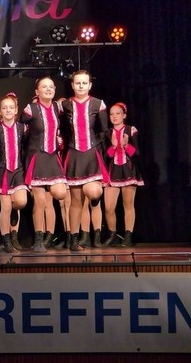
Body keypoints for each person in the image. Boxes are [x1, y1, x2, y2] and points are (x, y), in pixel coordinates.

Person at [60, 70, 109, 251]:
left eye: (84, 83)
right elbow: (63, 130)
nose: (81, 86)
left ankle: (95, 202)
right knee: (75, 201)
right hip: (74, 155)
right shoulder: (65, 105)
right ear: (72, 85)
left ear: (90, 85)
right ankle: (74, 240)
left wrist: (98, 151)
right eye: (78, 83)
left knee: (94, 192)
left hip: (92, 154)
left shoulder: (98, 104)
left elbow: (103, 131)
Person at [20, 78, 67, 252]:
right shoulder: (30, 109)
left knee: (60, 193)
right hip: (36, 155)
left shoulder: (57, 107)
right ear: (37, 91)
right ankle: (38, 239)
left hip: (52, 156)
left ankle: (52, 235)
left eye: (51, 86)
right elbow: (19, 130)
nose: (48, 89)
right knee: (39, 201)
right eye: (44, 87)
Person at [0, 93, 29, 253]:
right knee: (5, 207)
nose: (8, 110)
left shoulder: (22, 128)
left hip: (18, 169)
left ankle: (14, 218)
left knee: (21, 202)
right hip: (2, 170)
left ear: (16, 110)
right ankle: (8, 240)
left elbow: (26, 147)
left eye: (11, 107)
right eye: (4, 108)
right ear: (0, 111)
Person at [103, 102, 144, 247]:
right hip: (112, 172)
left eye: (118, 113)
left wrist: (126, 145)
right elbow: (105, 156)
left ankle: (128, 236)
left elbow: (137, 153)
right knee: (108, 207)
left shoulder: (130, 130)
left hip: (128, 170)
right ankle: (112, 235)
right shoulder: (107, 133)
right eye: (112, 114)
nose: (114, 116)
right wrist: (114, 146)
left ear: (124, 115)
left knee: (128, 205)